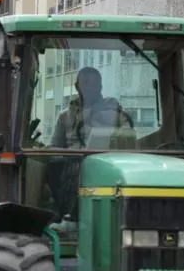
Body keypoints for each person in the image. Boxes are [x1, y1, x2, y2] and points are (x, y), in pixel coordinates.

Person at [47, 67, 130, 239]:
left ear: (100, 87)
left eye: (93, 84)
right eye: (85, 83)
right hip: (71, 163)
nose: (89, 87)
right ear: (77, 86)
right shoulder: (65, 116)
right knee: (55, 165)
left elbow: (127, 137)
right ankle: (69, 217)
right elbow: (55, 147)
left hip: (108, 162)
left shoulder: (115, 114)